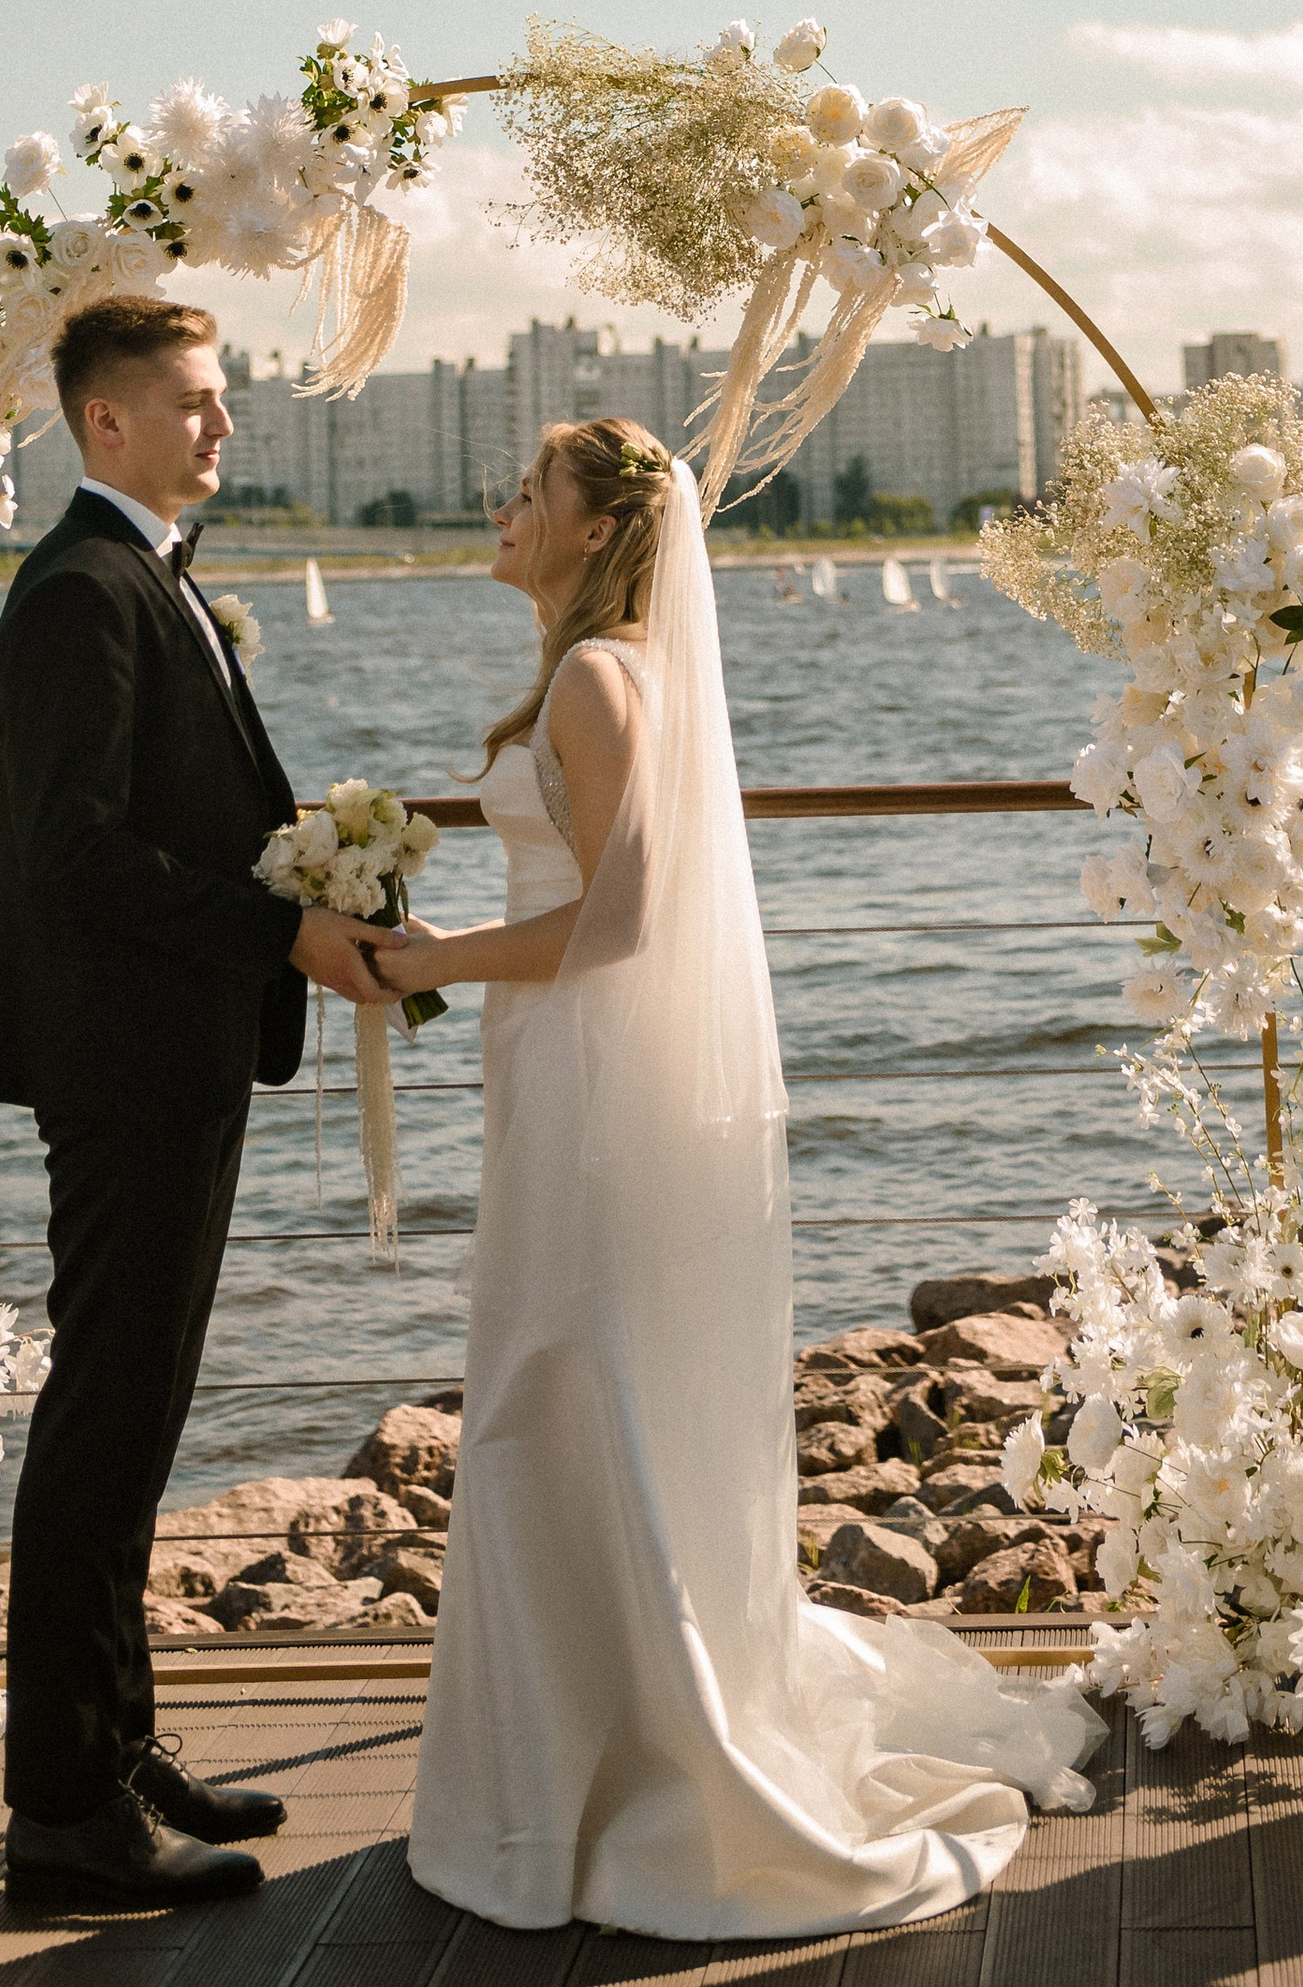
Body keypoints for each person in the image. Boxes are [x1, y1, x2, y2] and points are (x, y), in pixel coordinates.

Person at [370, 417, 1102, 1940]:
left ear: (592, 533)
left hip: (584, 1083)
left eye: (529, 492)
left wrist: (434, 960)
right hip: (568, 1076)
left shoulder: (595, 678)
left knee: (548, 1393)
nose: (501, 509)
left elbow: (623, 919)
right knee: (569, 1390)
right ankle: (591, 1750)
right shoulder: (606, 674)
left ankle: (591, 1776)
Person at [0, 295, 396, 1906]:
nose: (223, 425)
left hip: (174, 1053)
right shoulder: (82, 590)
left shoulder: (146, 579)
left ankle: (119, 1744)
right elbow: (73, 849)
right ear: (105, 422)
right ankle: (62, 1819)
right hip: (125, 1064)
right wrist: (285, 925)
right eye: (193, 403)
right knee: (103, 1421)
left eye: (224, 400)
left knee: (136, 1415)